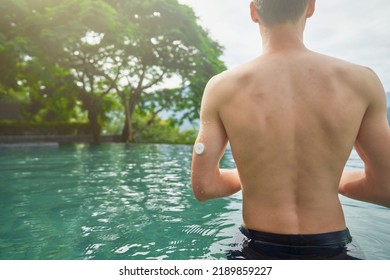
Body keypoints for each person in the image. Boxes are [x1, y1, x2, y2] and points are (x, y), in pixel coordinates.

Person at [190, 0, 390, 260]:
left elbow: (204, 187)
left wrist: (253, 176)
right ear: (310, 6)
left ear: (253, 11)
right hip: (334, 248)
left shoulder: (222, 88)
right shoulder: (362, 82)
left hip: (255, 249)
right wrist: (328, 181)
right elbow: (385, 188)